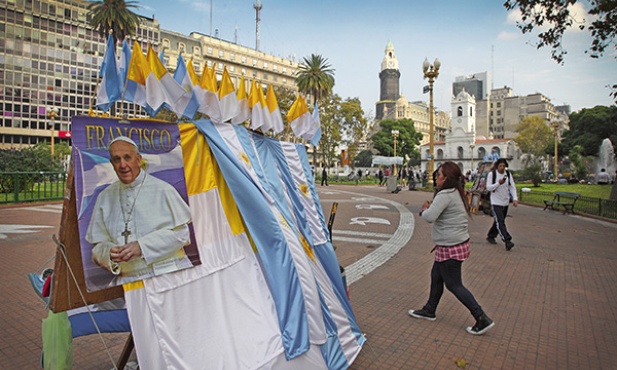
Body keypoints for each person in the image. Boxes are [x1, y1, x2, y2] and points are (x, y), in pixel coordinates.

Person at [86, 136, 193, 283]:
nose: (122, 165)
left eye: (127, 158)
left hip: (168, 274)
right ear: (112, 163)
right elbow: (97, 247)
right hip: (128, 280)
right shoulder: (105, 197)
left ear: (138, 159)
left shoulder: (163, 189)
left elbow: (182, 234)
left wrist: (142, 247)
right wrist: (109, 253)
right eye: (117, 159)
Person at [409, 161, 495, 335]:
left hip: (450, 245)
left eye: (439, 174)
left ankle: (481, 317)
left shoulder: (445, 195)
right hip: (454, 243)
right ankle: (430, 309)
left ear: (446, 178)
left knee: (454, 285)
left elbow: (430, 216)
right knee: (436, 276)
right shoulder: (456, 192)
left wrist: (425, 209)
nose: (436, 178)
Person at [485, 158, 518, 251]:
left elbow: (512, 187)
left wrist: (515, 198)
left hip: (505, 201)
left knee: (499, 221)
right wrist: (497, 183)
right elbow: (489, 187)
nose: (502, 168)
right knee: (500, 221)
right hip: (496, 202)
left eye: (504, 166)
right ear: (497, 166)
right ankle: (507, 240)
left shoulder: (508, 174)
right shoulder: (492, 174)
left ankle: (491, 235)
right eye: (500, 166)